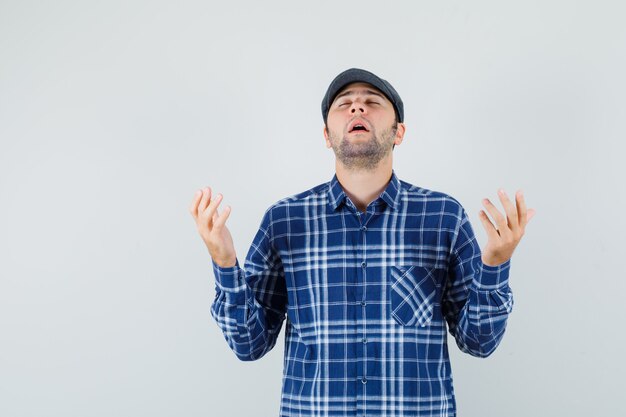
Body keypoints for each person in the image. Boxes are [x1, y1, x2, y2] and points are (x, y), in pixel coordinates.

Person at [189, 68, 535, 417]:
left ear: (399, 132)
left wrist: (495, 262)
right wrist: (224, 260)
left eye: (372, 102)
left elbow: (480, 341)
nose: (357, 109)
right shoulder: (284, 222)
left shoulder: (443, 216)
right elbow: (249, 343)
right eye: (344, 104)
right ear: (327, 134)